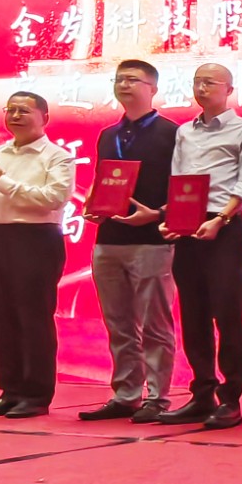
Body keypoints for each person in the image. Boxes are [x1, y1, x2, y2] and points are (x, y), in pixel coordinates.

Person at [0, 92, 76, 419]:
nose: (15, 115)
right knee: (0, 316)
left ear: (44, 118)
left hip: (36, 239)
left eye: (24, 110)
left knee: (33, 315)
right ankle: (9, 391)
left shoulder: (57, 157)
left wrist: (1, 183)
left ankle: (36, 395)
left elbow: (52, 199)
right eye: (10, 109)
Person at [159, 63, 242, 430]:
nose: (201, 88)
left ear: (229, 89)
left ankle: (231, 397)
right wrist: (172, 218)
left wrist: (220, 218)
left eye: (209, 82)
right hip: (188, 225)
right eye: (196, 82)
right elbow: (178, 179)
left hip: (225, 225)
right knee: (193, 313)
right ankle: (202, 392)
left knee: (227, 313)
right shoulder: (185, 131)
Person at [78, 60, 180, 424]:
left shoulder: (172, 133)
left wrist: (158, 214)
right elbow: (101, 177)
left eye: (132, 79)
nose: (123, 84)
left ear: (153, 88)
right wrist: (92, 204)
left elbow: (186, 186)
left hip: (153, 239)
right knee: (118, 323)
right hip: (108, 240)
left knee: (155, 323)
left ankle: (158, 396)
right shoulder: (109, 134)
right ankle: (125, 394)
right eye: (119, 79)